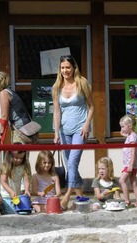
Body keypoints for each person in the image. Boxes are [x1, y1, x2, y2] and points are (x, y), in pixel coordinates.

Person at [52, 55, 94, 209]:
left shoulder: (82, 83)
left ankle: (66, 196)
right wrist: (56, 132)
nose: (65, 70)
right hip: (64, 130)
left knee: (72, 162)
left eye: (68, 67)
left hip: (79, 129)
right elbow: (56, 112)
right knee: (72, 166)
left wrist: (87, 125)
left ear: (74, 68)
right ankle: (81, 196)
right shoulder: (57, 86)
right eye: (62, 68)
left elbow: (91, 107)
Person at [0, 71, 39, 145]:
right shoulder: (10, 92)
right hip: (25, 128)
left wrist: (0, 134)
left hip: (20, 130)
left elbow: (4, 117)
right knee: (23, 155)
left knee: (17, 154)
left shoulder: (3, 93)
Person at [0, 148, 31, 215]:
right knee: (12, 212)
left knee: (23, 211)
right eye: (16, 158)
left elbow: (26, 179)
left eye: (21, 158)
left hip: (17, 196)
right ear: (10, 156)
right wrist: (11, 191)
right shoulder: (6, 166)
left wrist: (27, 189)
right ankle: (3, 209)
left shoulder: (23, 166)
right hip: (6, 196)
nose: (19, 160)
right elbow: (3, 181)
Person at [118, 115, 137, 207]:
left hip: (130, 164)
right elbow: (127, 136)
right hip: (132, 164)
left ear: (130, 126)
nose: (122, 128)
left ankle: (127, 201)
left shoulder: (132, 137)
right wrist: (123, 133)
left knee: (122, 180)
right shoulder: (132, 136)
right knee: (133, 182)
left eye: (123, 126)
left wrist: (130, 165)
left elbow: (133, 152)